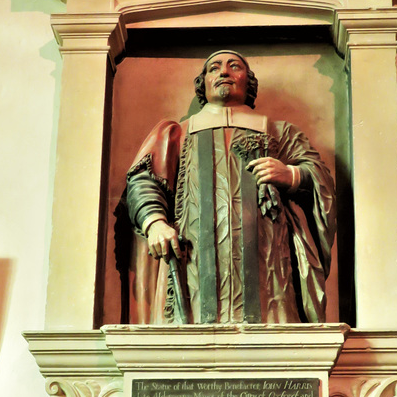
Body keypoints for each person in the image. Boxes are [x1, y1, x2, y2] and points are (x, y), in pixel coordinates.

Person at [125, 51, 336, 324]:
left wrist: (292, 175)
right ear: (203, 83)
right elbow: (143, 179)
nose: (223, 72)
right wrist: (154, 223)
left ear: (249, 82)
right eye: (214, 68)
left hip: (270, 268)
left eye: (234, 66)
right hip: (191, 266)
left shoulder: (279, 132)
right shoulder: (177, 134)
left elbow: (320, 179)